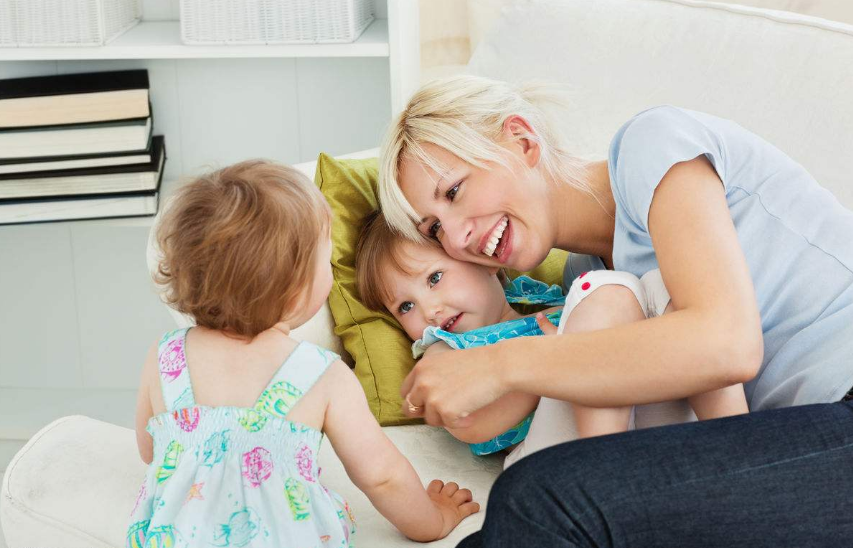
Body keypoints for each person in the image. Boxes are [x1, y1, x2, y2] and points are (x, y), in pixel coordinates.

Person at [377, 75, 853, 546]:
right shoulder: (590, 284)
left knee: (542, 498)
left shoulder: (654, 145)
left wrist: (499, 365)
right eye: (435, 229)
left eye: (455, 191)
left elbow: (728, 344)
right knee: (536, 510)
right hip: (784, 449)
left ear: (521, 140)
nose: (458, 237)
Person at [128, 160, 479, 547]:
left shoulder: (166, 356)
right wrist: (433, 520)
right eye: (325, 259)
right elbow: (382, 476)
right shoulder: (319, 374)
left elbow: (150, 451)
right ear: (297, 290)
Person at [355, 211, 747, 459]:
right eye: (404, 307)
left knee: (665, 285)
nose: (429, 310)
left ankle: (740, 450)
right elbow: (468, 423)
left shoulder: (543, 302)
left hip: (636, 424)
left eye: (435, 279)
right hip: (550, 459)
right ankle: (603, 479)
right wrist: (550, 360)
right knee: (602, 288)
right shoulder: (446, 351)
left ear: (484, 261)